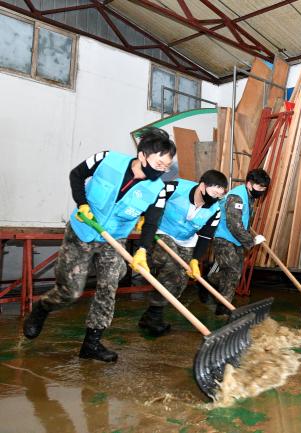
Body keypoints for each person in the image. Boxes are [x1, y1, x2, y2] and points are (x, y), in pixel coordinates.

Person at [22, 128, 176, 362]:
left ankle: (91, 344)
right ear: (143, 155)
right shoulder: (107, 159)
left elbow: (152, 223)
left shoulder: (158, 189)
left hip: (112, 240)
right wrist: (82, 204)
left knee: (108, 287)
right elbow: (76, 175)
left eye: (167, 166)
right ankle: (42, 308)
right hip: (82, 230)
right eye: (159, 163)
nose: (162, 170)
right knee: (70, 292)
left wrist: (143, 250)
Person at [137, 169, 228, 336]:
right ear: (202, 186)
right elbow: (152, 200)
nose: (216, 198)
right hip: (162, 231)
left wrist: (195, 260)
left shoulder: (215, 210)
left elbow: (205, 237)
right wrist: (144, 217)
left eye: (219, 196)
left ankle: (152, 314)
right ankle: (154, 315)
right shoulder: (175, 187)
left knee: (180, 280)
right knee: (170, 263)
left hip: (187, 239)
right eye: (214, 193)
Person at [207, 169, 270, 315]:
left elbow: (242, 219)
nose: (261, 191)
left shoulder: (249, 196)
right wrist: (251, 241)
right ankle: (223, 308)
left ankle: (211, 283)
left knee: (235, 274)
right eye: (259, 187)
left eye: (264, 189)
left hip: (237, 240)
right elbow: (234, 225)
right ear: (249, 184)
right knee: (232, 272)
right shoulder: (236, 197)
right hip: (223, 237)